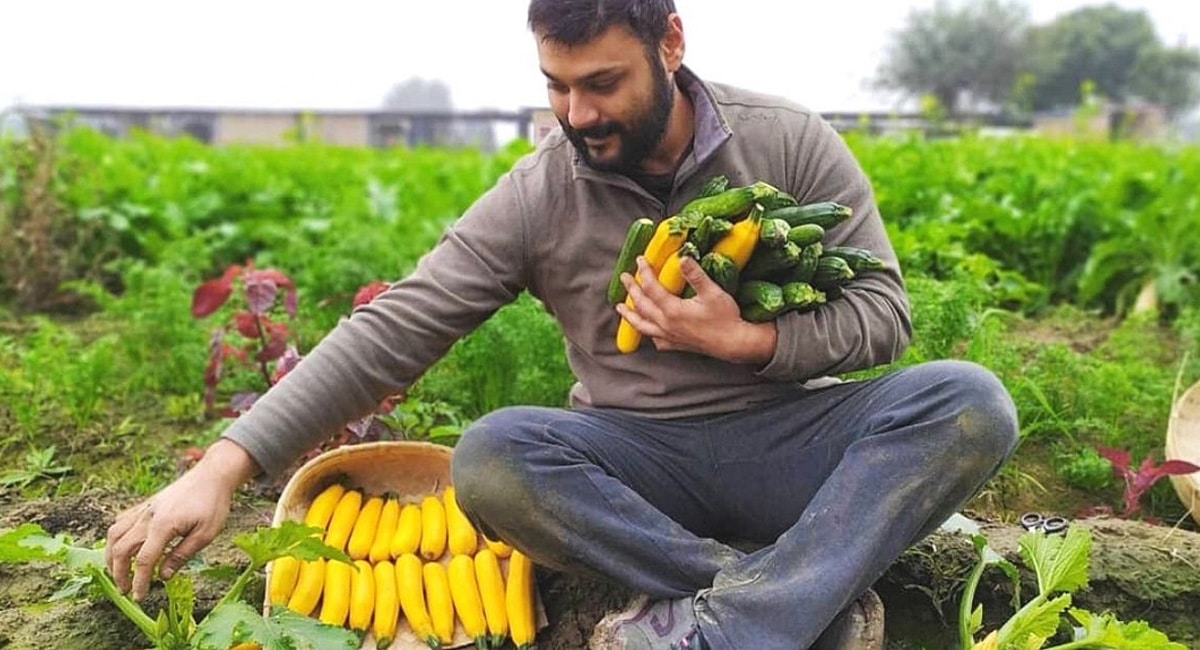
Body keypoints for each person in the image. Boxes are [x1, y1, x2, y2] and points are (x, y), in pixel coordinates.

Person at [106, 1, 1020, 648]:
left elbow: (884, 317)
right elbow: (401, 326)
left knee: (968, 403)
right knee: (493, 458)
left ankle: (728, 624)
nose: (578, 115)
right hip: (635, 467)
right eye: (557, 86)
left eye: (603, 83)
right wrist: (225, 466)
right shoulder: (544, 189)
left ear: (670, 41)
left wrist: (747, 341)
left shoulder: (785, 141)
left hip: (792, 443)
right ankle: (787, 602)